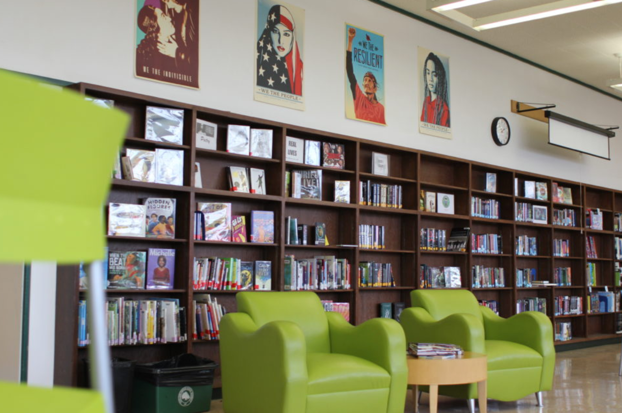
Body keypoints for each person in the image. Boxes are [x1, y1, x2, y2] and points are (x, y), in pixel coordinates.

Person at [256, 5, 303, 96]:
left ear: (293, 37)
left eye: (286, 34)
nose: (280, 41)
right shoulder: (258, 58)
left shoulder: (300, 70)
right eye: (275, 32)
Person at [346, 27, 386, 125]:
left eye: (369, 80)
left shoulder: (381, 109)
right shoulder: (359, 97)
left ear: (375, 88)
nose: (366, 82)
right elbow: (350, 71)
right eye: (365, 80)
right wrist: (350, 41)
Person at [420, 52, 450, 127]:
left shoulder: (444, 109)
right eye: (428, 73)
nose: (430, 79)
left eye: (434, 75)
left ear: (440, 77)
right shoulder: (426, 101)